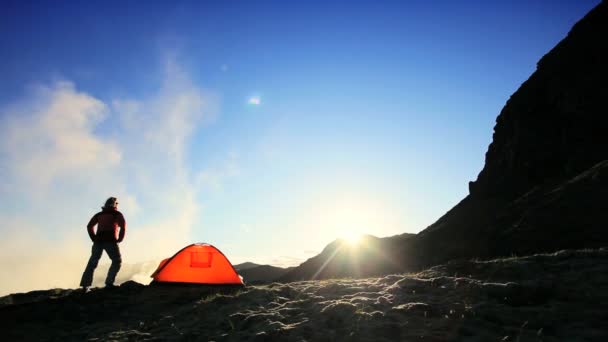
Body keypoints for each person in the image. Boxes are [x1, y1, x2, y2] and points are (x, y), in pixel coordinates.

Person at [79, 197, 126, 290]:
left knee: (92, 262)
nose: (117, 205)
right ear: (115, 204)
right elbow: (123, 226)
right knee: (117, 261)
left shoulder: (99, 214)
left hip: (98, 241)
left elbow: (89, 226)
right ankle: (109, 283)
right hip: (111, 241)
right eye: (117, 203)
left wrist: (93, 238)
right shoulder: (116, 214)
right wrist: (120, 239)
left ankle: (85, 285)